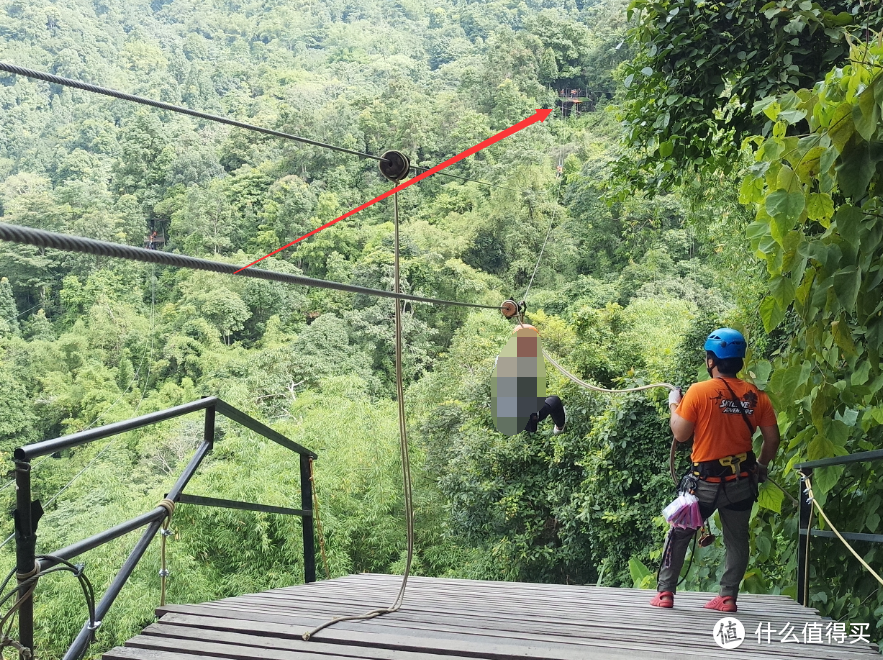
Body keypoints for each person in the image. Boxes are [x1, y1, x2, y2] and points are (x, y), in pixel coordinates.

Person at [650, 328, 780, 612]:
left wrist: (674, 403)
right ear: (739, 361)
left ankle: (665, 594)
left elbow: (680, 433)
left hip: (704, 484)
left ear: (712, 360)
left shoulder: (698, 392)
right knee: (737, 538)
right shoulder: (757, 397)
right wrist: (761, 466)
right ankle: (728, 596)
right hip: (742, 481)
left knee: (679, 533)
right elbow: (772, 440)